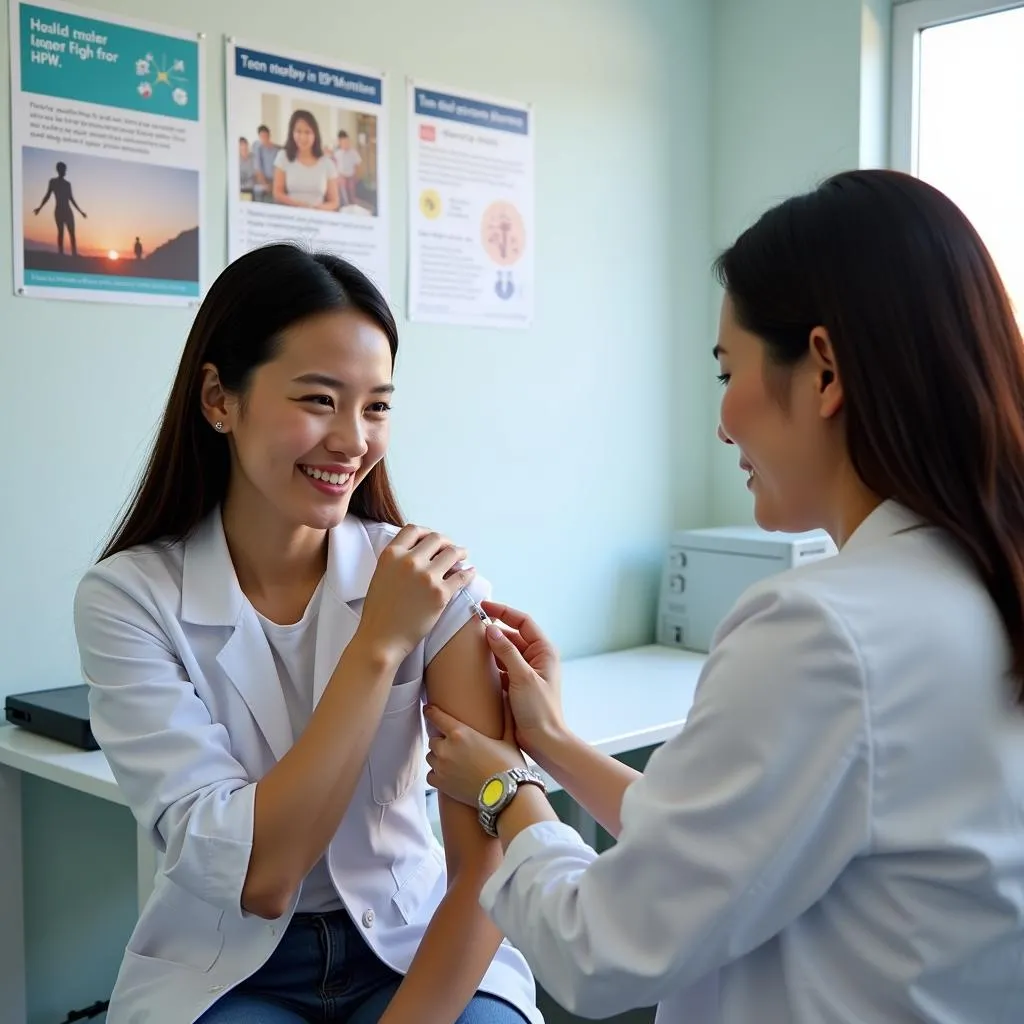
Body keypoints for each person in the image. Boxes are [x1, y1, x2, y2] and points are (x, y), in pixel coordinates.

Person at [423, 169, 1024, 1023]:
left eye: (725, 371)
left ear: (823, 373)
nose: (722, 422)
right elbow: (728, 840)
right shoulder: (979, 586)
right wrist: (550, 743)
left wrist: (502, 795)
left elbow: (605, 946)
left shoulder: (820, 630)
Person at [73, 244, 542, 1024]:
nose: (353, 440)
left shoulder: (434, 581)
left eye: (378, 405)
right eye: (320, 400)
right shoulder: (128, 599)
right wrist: (377, 648)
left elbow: (483, 868)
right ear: (220, 399)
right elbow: (263, 878)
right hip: (228, 965)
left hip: (412, 938)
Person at [273, 110, 339, 211]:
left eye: (307, 132)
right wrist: (299, 205)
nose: (303, 137)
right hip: (291, 216)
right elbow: (277, 193)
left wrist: (317, 208)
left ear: (315, 135)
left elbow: (334, 202)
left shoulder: (327, 163)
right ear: (292, 133)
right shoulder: (283, 156)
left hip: (318, 216)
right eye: (298, 132)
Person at [33, 160, 86, 256]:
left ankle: (74, 254)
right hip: (59, 211)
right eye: (64, 169)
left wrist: (81, 212)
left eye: (65, 170)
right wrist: (39, 208)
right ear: (59, 170)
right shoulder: (53, 182)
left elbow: (71, 199)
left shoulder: (67, 184)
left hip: (67, 211)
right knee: (61, 232)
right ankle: (61, 253)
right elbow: (47, 196)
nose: (65, 171)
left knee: (71, 233)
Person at [332, 130, 362, 207]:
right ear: (340, 143)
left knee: (352, 193)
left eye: (347, 142)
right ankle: (345, 205)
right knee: (343, 194)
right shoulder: (337, 153)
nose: (346, 144)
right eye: (343, 143)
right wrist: (338, 177)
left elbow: (357, 164)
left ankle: (352, 204)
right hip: (341, 176)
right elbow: (335, 165)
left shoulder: (353, 152)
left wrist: (356, 176)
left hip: (351, 176)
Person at [251, 124, 278, 202]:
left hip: (275, 180)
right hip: (264, 181)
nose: (264, 139)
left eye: (265, 136)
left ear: (269, 136)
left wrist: (274, 185)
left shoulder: (276, 150)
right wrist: (265, 184)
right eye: (262, 137)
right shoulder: (258, 148)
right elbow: (258, 169)